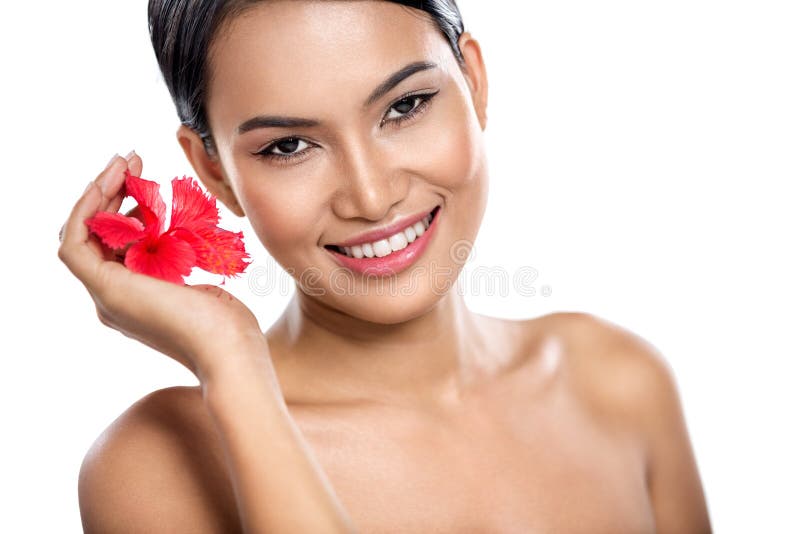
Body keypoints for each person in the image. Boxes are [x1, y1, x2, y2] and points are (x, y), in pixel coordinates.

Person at [57, 1, 712, 532]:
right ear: (213, 170)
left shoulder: (621, 384)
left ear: (475, 83)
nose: (370, 197)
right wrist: (232, 364)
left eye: (405, 106)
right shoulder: (156, 464)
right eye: (289, 146)